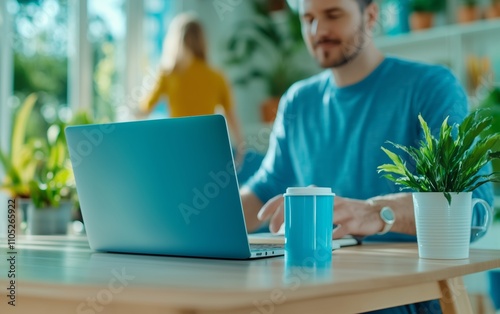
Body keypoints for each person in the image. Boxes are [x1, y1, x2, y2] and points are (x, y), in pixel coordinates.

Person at [239, 0, 494, 313]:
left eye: (333, 15)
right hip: (313, 295)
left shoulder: (430, 86)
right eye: (308, 19)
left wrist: (376, 213)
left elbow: (473, 209)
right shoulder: (297, 101)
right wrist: (203, 217)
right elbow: (266, 189)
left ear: (370, 15)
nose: (318, 30)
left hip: (401, 300)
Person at [139, 13, 245, 163]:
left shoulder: (167, 74)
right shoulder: (217, 76)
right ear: (202, 41)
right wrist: (241, 147)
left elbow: (144, 110)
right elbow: (231, 116)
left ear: (175, 41)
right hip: (207, 148)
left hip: (176, 147)